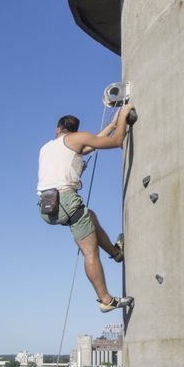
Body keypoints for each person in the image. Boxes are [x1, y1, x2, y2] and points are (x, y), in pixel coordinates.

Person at [37, 104, 135, 312]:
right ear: (76, 130)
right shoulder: (78, 138)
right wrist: (124, 117)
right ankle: (106, 300)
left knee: (90, 216)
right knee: (90, 252)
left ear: (57, 129)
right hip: (66, 200)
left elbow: (90, 145)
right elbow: (116, 141)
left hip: (47, 206)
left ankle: (117, 253)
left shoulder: (47, 147)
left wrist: (111, 124)